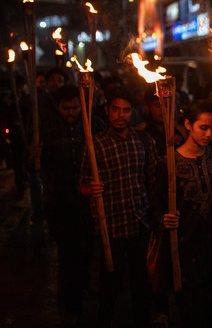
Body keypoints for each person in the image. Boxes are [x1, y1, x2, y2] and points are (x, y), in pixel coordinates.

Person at [80, 86, 157, 328]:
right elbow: (82, 184)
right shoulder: (95, 145)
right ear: (107, 111)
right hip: (110, 226)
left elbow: (155, 179)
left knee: (141, 285)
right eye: (115, 110)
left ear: (132, 112)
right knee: (109, 286)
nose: (120, 115)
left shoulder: (144, 140)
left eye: (125, 110)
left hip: (140, 222)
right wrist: (90, 189)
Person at [149, 100, 212, 327]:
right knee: (192, 314)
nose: (209, 133)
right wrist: (164, 218)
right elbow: (155, 204)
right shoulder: (168, 163)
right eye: (203, 127)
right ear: (188, 125)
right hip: (184, 250)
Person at [28, 85, 102, 327]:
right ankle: (72, 305)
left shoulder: (90, 126)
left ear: (81, 107)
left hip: (86, 201)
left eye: (74, 107)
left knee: (86, 249)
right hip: (58, 202)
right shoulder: (45, 129)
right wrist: (33, 155)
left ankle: (82, 286)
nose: (70, 112)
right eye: (65, 108)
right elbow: (32, 168)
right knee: (67, 253)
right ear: (58, 107)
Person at [135, 85, 184, 157]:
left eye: (166, 105)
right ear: (147, 108)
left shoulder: (177, 130)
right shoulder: (140, 133)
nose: (163, 110)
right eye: (158, 106)